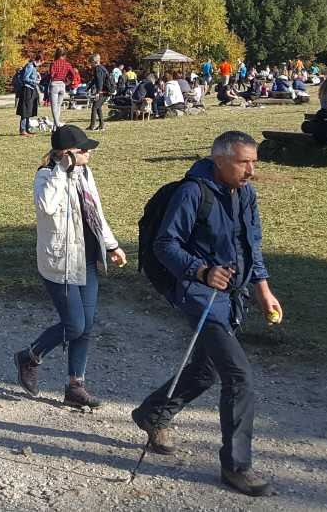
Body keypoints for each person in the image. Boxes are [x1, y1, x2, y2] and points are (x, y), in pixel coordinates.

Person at [132, 131, 281, 498]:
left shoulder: (246, 193)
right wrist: (200, 271)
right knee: (239, 376)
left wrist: (262, 289)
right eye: (243, 162)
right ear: (219, 161)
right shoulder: (191, 193)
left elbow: (252, 244)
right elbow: (164, 244)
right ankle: (236, 467)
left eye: (254, 162)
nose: (251, 171)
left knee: (207, 368)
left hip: (232, 293)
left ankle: (153, 413)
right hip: (199, 295)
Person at [12, 125, 125, 410]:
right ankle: (29, 357)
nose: (89, 153)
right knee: (74, 324)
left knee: (86, 325)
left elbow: (96, 212)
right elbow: (46, 206)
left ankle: (76, 386)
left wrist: (111, 245)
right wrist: (62, 170)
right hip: (59, 262)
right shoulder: (46, 176)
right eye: (82, 149)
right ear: (66, 154)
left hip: (86, 258)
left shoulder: (85, 173)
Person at [46, 48, 75, 129]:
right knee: (58, 106)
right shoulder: (67, 64)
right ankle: (56, 124)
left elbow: (51, 75)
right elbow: (73, 74)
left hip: (54, 84)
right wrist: (68, 81)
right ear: (64, 55)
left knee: (54, 106)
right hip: (62, 85)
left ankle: (56, 124)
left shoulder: (53, 63)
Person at [15, 52, 42, 136]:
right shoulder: (30, 66)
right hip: (27, 89)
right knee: (25, 109)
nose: (41, 64)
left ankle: (27, 129)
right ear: (39, 60)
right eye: (41, 62)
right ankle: (23, 130)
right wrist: (35, 81)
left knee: (29, 110)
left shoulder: (34, 67)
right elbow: (25, 78)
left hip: (31, 89)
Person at [88, 55, 112, 131]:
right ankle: (101, 125)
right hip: (106, 91)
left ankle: (92, 126)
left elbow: (100, 81)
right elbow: (95, 80)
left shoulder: (98, 69)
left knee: (94, 107)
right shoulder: (102, 68)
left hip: (103, 91)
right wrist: (88, 88)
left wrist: (98, 92)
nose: (90, 65)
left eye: (91, 62)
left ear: (94, 62)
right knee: (98, 107)